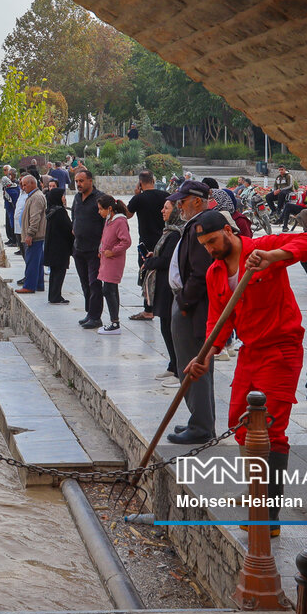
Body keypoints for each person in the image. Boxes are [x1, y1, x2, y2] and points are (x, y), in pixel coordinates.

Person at [184, 209, 307, 535]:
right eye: (204, 244)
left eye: (213, 241)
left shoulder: (262, 248)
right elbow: (219, 320)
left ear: (229, 232)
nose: (210, 249)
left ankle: (267, 513)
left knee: (270, 429)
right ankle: (257, 493)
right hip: (250, 351)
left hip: (281, 348)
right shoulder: (215, 272)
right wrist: (206, 354)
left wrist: (274, 255)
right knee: (240, 424)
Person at [166, 180, 217, 443]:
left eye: (182, 201)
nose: (178, 206)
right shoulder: (196, 224)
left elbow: (200, 273)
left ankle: (201, 427)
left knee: (193, 366)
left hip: (192, 308)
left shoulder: (202, 225)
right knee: (196, 365)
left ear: (197, 200)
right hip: (188, 304)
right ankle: (201, 421)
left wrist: (184, 302)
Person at [143, 199, 183, 387]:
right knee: (165, 327)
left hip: (170, 289)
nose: (162, 210)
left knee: (171, 329)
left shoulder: (176, 234)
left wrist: (151, 262)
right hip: (163, 286)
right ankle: (172, 365)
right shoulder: (169, 230)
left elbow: (167, 261)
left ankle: (178, 369)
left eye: (166, 208)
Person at [125, 170, 169, 320]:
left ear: (140, 183)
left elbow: (127, 214)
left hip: (146, 242)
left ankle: (148, 309)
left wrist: (137, 195)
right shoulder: (165, 196)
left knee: (146, 275)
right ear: (153, 180)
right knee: (162, 273)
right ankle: (161, 306)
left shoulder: (139, 198)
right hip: (164, 240)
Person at [71, 169, 106, 330]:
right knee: (84, 282)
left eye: (81, 181)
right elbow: (74, 217)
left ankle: (95, 316)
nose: (78, 184)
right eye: (76, 181)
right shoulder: (77, 198)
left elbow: (107, 222)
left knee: (94, 284)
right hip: (79, 248)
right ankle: (89, 313)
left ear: (90, 181)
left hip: (94, 250)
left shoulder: (100, 198)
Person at [95, 194, 131, 334]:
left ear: (109, 208)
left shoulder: (120, 221)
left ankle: (115, 323)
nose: (99, 212)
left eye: (100, 209)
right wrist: (101, 249)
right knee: (110, 289)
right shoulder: (109, 220)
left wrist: (113, 251)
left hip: (114, 260)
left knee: (109, 290)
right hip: (106, 259)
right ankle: (114, 320)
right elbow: (105, 237)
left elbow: (126, 241)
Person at [15, 175, 46, 294]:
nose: (23, 187)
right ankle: (38, 284)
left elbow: (35, 218)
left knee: (32, 261)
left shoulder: (36, 197)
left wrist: (30, 234)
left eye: (24, 185)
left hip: (35, 236)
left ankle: (29, 286)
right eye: (22, 185)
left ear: (32, 183)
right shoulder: (33, 196)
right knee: (36, 261)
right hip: (35, 236)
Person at [44, 186, 74, 304]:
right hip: (61, 247)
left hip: (52, 247)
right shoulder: (60, 212)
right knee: (59, 272)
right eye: (62, 196)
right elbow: (68, 228)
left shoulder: (51, 210)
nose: (64, 198)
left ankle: (53, 295)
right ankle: (56, 296)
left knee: (54, 273)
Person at [0, 165, 20, 246]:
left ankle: (14, 240)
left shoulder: (15, 184)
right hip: (9, 208)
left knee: (12, 223)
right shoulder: (9, 184)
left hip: (13, 208)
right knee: (9, 223)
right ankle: (11, 239)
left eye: (9, 174)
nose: (8, 175)